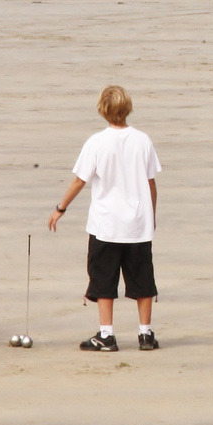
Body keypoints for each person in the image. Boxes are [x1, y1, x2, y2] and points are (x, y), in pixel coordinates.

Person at [49, 85, 163, 352]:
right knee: (142, 279)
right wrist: (151, 215)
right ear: (128, 108)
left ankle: (106, 334)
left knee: (103, 278)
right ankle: (145, 334)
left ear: (103, 110)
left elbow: (80, 180)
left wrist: (60, 207)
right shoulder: (142, 140)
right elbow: (151, 183)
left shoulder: (97, 142)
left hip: (106, 225)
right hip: (137, 223)